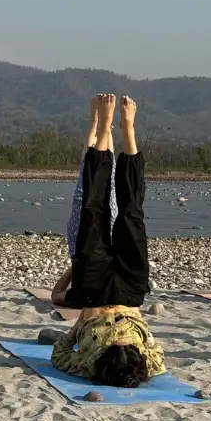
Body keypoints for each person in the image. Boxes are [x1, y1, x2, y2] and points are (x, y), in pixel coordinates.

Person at [52, 94, 166, 388]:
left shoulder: (90, 365)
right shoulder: (143, 365)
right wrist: (78, 328)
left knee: (100, 212)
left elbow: (59, 354)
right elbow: (158, 355)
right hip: (119, 291)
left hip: (102, 291)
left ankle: (107, 128)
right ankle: (124, 129)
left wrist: (76, 329)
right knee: (124, 213)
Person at [50, 95, 119, 307]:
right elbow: (56, 294)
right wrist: (75, 266)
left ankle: (102, 125)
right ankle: (101, 125)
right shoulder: (85, 292)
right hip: (87, 247)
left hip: (91, 245)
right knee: (93, 179)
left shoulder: (94, 292)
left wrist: (75, 267)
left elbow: (56, 295)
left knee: (101, 180)